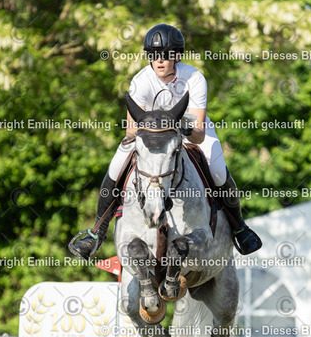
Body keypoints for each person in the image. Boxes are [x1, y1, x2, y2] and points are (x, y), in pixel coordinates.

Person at [70, 23, 262, 259]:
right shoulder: (140, 81)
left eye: (165, 55)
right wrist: (158, 130)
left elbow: (199, 133)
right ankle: (97, 233)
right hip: (152, 137)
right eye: (153, 55)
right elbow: (131, 131)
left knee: (218, 170)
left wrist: (181, 129)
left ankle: (240, 228)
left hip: (189, 133)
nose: (159, 60)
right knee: (117, 163)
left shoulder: (194, 78)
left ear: (177, 56)